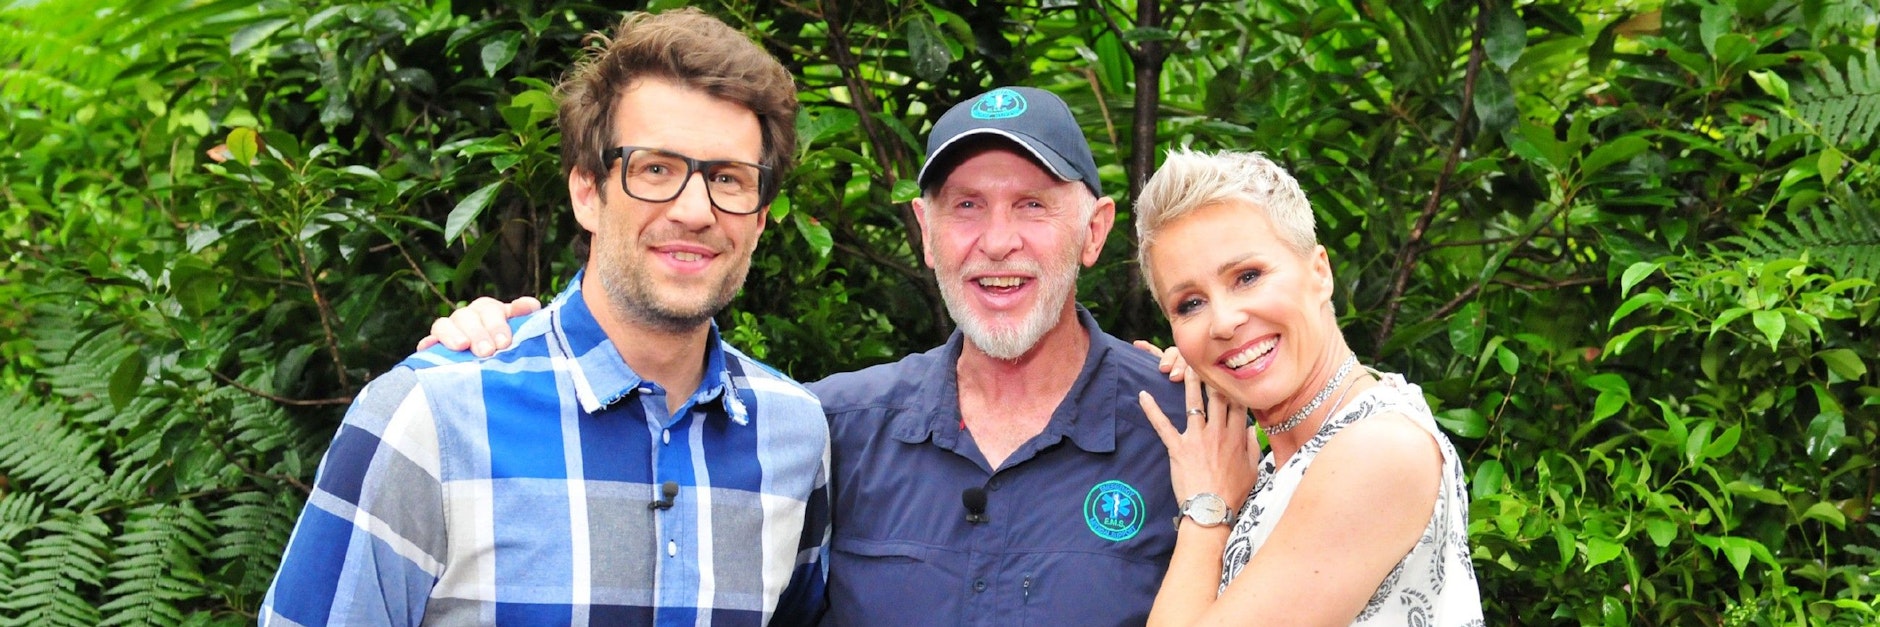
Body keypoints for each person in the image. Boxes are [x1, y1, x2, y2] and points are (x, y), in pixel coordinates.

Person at [425, 86, 1189, 625]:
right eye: (966, 205)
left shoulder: (1185, 427)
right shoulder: (819, 428)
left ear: (1093, 231)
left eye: (1032, 204)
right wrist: (521, 346)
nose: (996, 241)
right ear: (925, 232)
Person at [263, 9, 830, 625]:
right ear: (587, 192)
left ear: (761, 216)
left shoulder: (793, 435)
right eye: (655, 169)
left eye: (728, 178)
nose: (695, 210)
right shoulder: (432, 418)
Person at [1130, 149, 1483, 625]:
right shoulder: (1293, 455)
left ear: (1320, 273)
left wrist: (1207, 509)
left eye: (1248, 277)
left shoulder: (1377, 451)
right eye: (1190, 304)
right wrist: (1198, 389)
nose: (1224, 322)